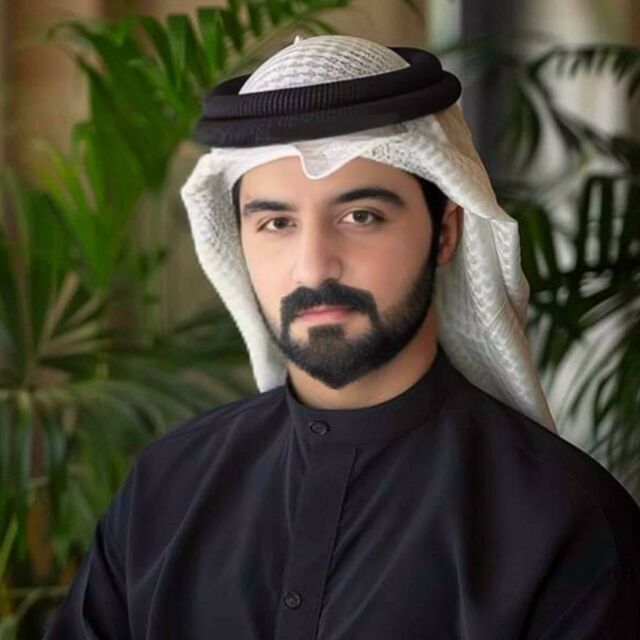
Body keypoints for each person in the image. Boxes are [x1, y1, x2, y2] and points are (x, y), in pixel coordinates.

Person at [44, 34, 640, 639]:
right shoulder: (167, 487)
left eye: (361, 216)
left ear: (445, 233)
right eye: (276, 223)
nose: (313, 267)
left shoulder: (562, 522)